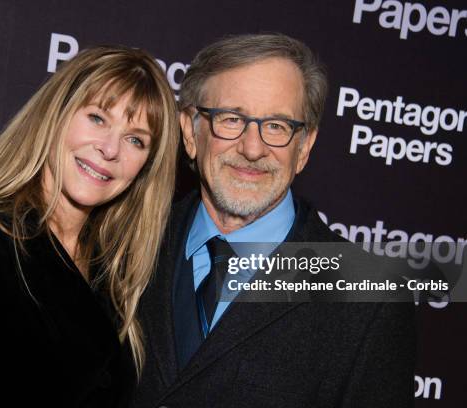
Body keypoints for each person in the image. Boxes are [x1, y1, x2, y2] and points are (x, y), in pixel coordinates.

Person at [0, 45, 179, 407]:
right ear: (55, 116)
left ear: (146, 167)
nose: (110, 148)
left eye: (136, 139)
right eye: (97, 118)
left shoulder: (117, 277)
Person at [133, 34, 416, 407]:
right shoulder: (127, 239)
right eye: (231, 119)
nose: (253, 148)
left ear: (305, 147)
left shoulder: (371, 296)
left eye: (278, 126)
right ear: (190, 131)